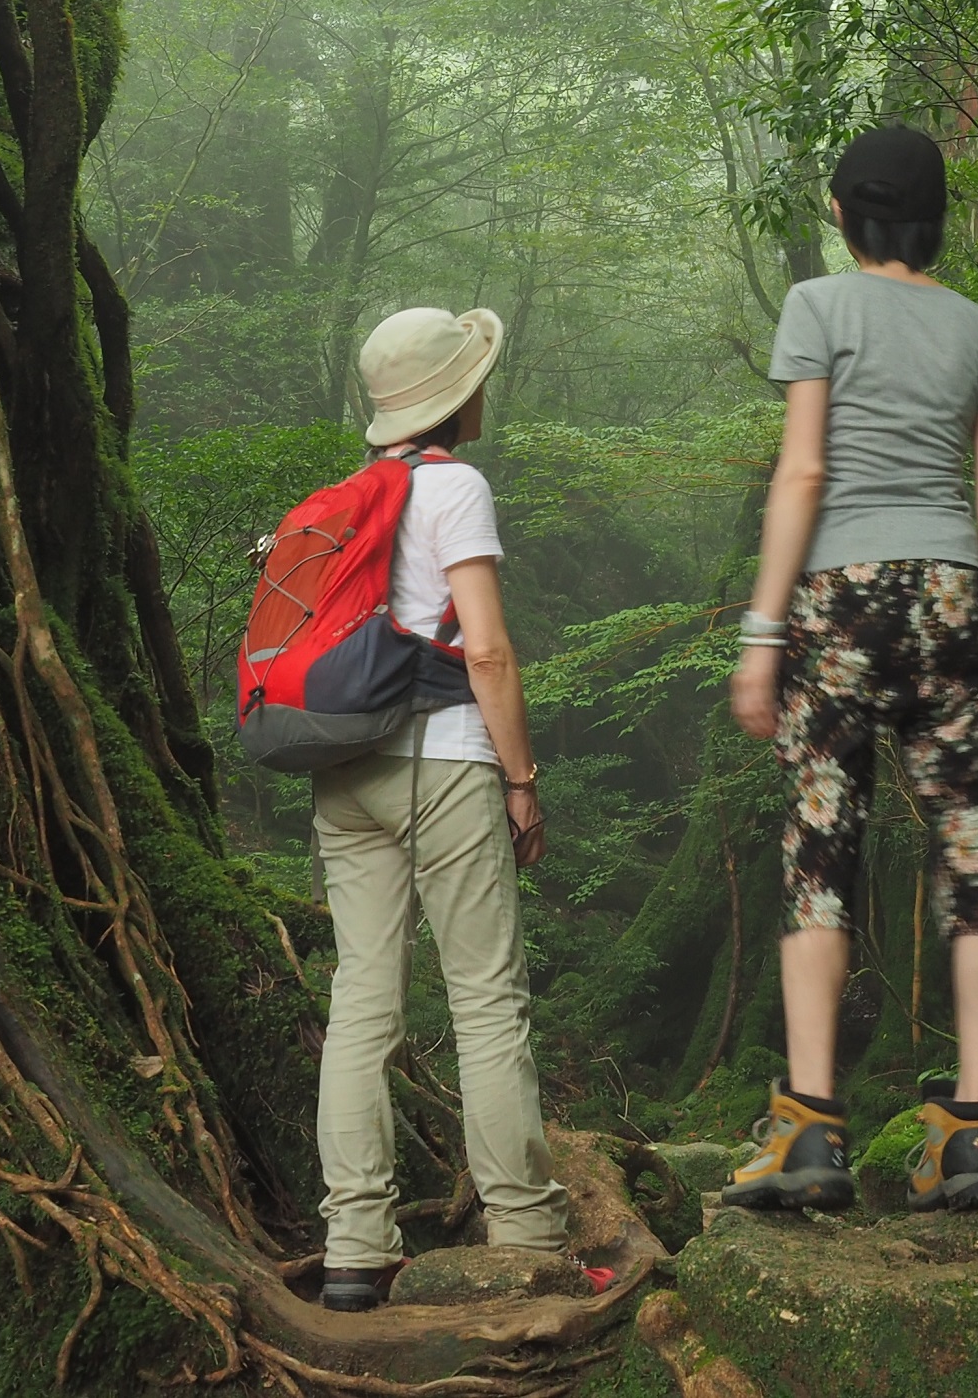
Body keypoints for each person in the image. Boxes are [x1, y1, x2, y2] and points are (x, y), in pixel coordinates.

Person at [721, 124, 978, 1216]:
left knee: (822, 853)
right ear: (932, 215)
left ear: (846, 213)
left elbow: (802, 470)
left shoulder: (820, 308)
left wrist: (762, 634)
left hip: (842, 601)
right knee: (973, 856)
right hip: (954, 598)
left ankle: (809, 1127)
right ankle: (973, 1137)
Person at [313, 305, 573, 1311]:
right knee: (484, 997)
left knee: (361, 1001)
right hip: (442, 760)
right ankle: (524, 1228)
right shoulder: (454, 486)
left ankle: (354, 1249)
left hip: (346, 769)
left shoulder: (348, 496)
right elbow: (489, 649)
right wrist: (521, 780)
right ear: (456, 396)